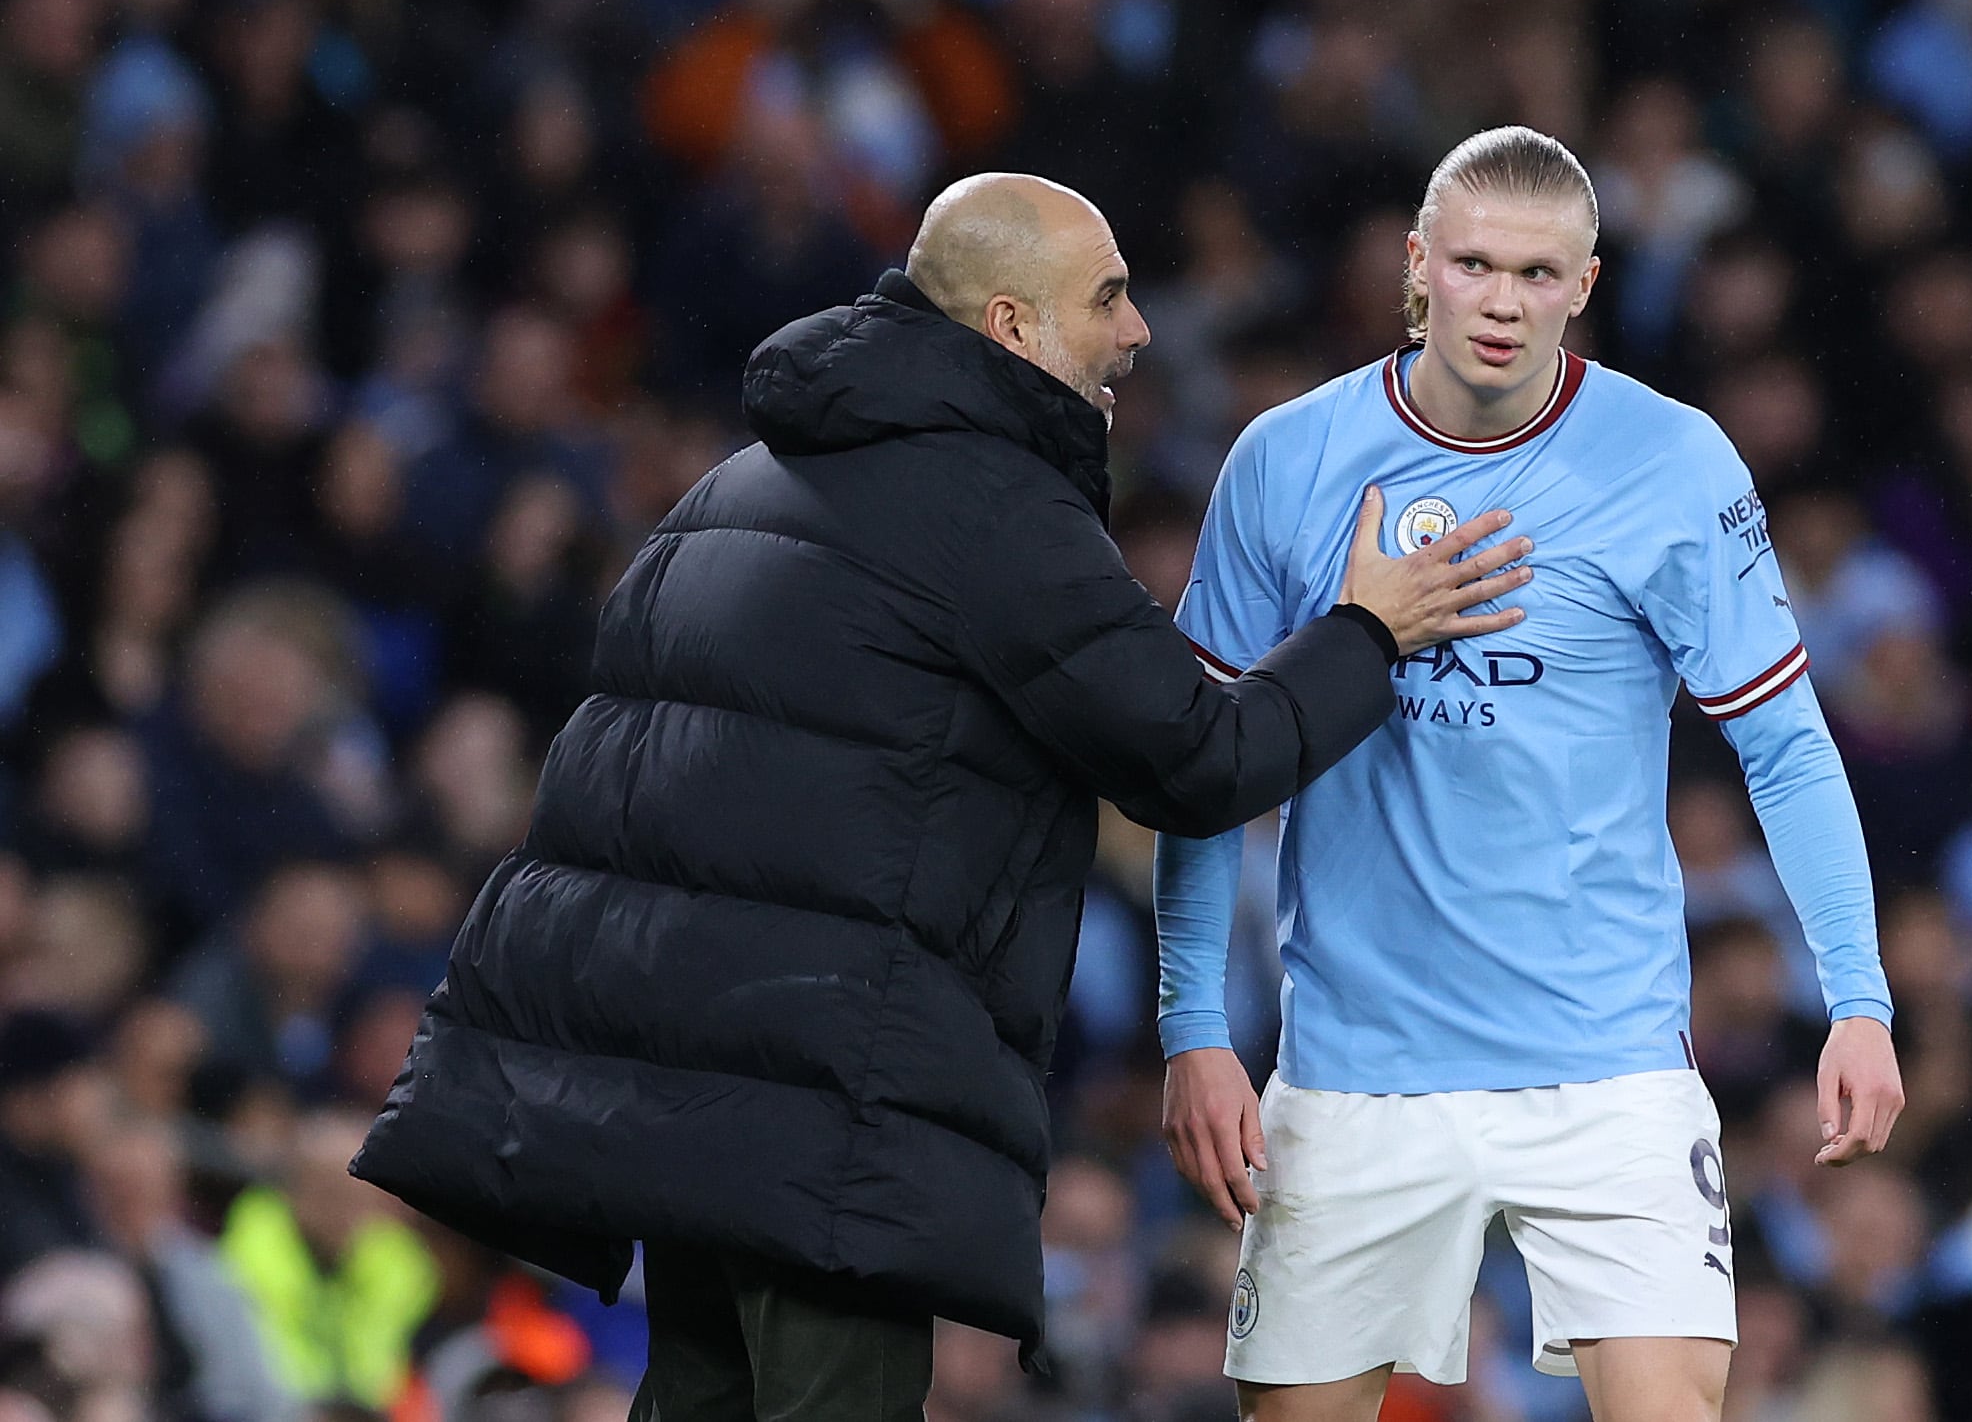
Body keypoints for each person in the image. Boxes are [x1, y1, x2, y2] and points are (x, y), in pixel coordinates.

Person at [351, 172, 1535, 1422]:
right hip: (826, 1094)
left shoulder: (732, 489)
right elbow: (1199, 761)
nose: (1139, 331)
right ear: (1012, 327)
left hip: (685, 1084)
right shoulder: (989, 508)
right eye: (1110, 297)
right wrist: (1364, 631)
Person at [1155, 127, 1906, 1422]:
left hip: (1605, 1060)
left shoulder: (1672, 461)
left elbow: (1783, 741)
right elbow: (1201, 762)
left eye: (1538, 273)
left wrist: (1859, 995)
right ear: (1415, 267)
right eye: (1474, 264)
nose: (1502, 301)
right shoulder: (1286, 458)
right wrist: (1193, 1029)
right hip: (1354, 1058)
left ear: (1587, 285)